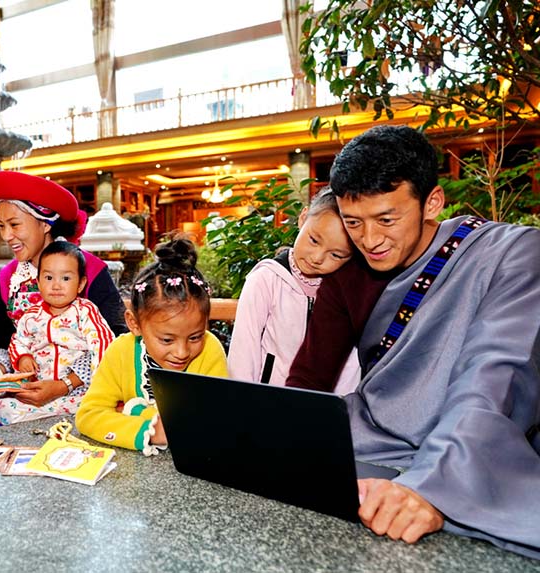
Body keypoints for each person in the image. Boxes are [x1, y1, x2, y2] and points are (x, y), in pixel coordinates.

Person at [286, 125, 540, 558]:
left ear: (432, 202)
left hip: (468, 454)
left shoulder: (512, 255)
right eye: (354, 223)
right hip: (372, 443)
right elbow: (311, 378)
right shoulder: (348, 270)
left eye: (387, 219)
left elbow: (495, 377)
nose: (370, 240)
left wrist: (434, 487)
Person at [0, 170, 127, 415]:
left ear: (45, 223)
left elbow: (116, 341)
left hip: (87, 392)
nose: (6, 236)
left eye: (15, 224)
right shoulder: (7, 279)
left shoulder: (90, 270)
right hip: (26, 394)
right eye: (1, 226)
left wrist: (64, 384)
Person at [76, 237, 228, 455]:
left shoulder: (210, 349)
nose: (182, 352)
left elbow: (217, 420)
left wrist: (134, 410)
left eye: (195, 337)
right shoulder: (121, 352)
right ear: (134, 324)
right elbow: (88, 416)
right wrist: (150, 429)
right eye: (167, 340)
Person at [227, 187, 358, 391]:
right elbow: (243, 352)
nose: (317, 258)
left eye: (336, 255)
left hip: (324, 410)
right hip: (268, 403)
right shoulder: (266, 279)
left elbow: (350, 364)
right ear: (303, 218)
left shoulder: (345, 294)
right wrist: (245, 405)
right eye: (314, 240)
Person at [0, 241, 114, 424]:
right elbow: (17, 341)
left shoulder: (85, 311)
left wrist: (102, 384)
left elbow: (102, 343)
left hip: (77, 392)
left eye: (66, 279)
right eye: (49, 278)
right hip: (39, 389)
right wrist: (23, 357)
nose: (56, 286)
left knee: (92, 412)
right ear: (38, 282)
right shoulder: (31, 316)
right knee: (2, 406)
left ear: (81, 283)